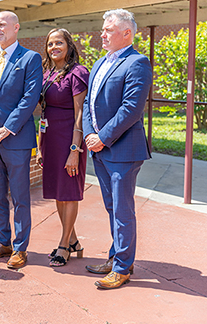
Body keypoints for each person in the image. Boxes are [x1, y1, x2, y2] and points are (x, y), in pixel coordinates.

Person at [82, 9, 152, 289]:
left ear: (127, 33)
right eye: (103, 29)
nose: (102, 33)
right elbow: (88, 103)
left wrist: (103, 137)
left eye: (109, 29)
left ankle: (123, 267)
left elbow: (131, 109)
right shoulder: (100, 63)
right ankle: (117, 256)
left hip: (123, 150)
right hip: (99, 149)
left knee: (123, 210)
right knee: (112, 208)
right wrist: (89, 134)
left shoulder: (137, 62)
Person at [0, 11, 43, 269]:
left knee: (21, 197)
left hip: (16, 140)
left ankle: (20, 248)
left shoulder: (30, 58)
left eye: (2, 24)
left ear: (16, 28)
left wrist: (7, 129)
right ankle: (2, 242)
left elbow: (29, 99)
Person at [36, 28, 89, 267]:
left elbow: (80, 114)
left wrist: (75, 150)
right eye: (50, 44)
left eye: (59, 43)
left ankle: (64, 244)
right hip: (51, 140)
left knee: (68, 193)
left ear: (69, 45)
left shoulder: (77, 73)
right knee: (59, 192)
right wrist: (39, 146)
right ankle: (74, 240)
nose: (54, 47)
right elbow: (43, 112)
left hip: (69, 139)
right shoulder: (46, 73)